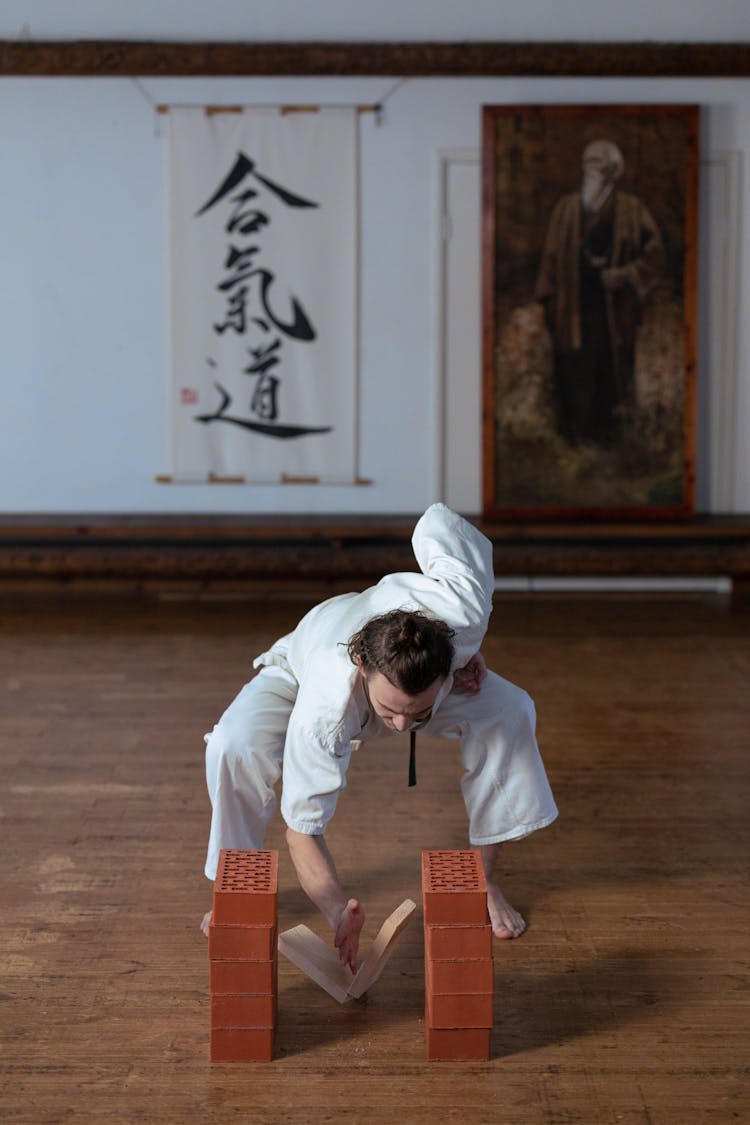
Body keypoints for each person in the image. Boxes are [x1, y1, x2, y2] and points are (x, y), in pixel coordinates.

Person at [200, 503, 557, 970]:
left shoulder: (464, 613)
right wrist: (337, 910)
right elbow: (302, 830)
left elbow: (437, 521)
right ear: (363, 668)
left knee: (510, 710)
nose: (403, 727)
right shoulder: (324, 706)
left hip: (417, 668)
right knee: (235, 743)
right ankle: (234, 887)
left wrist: (467, 657)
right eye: (392, 712)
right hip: (296, 671)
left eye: (419, 713)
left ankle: (482, 879)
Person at [535, 138, 664, 446]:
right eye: (587, 162)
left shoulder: (632, 210)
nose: (591, 169)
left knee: (613, 368)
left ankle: (612, 444)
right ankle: (574, 443)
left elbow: (656, 256)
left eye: (599, 163)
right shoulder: (565, 209)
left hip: (615, 310)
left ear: (614, 170)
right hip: (573, 308)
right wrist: (549, 303)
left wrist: (624, 274)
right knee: (574, 370)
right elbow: (550, 262)